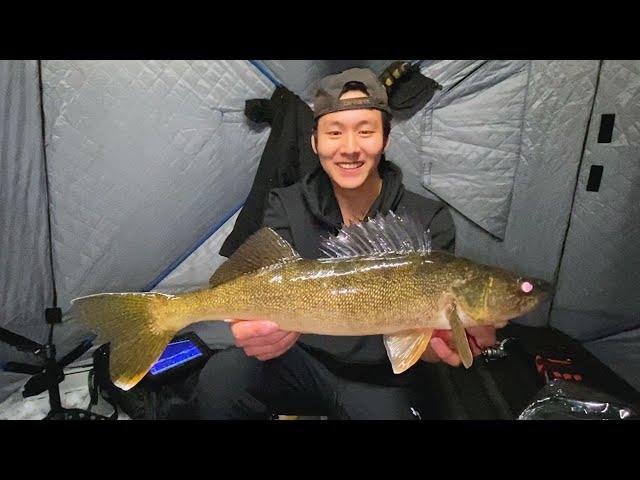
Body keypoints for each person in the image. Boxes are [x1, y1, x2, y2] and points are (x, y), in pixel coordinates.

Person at [195, 67, 496, 419]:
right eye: (334, 132)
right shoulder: (285, 203)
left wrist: (435, 345)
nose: (350, 148)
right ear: (315, 142)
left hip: (380, 378)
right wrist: (258, 331)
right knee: (221, 377)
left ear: (385, 138)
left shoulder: (428, 219)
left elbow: (424, 342)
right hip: (298, 358)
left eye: (365, 131)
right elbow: (263, 280)